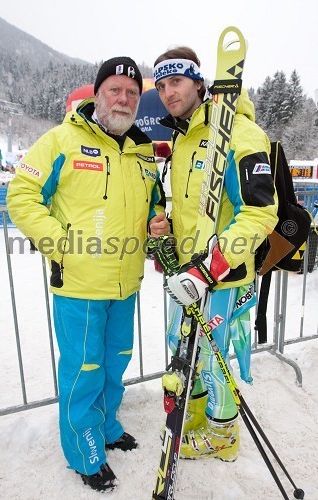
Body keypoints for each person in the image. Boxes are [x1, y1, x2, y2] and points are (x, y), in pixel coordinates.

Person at [7, 56, 169, 492]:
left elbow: (154, 205)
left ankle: (108, 427)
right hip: (78, 284)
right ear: (97, 95)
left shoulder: (142, 153)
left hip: (125, 282)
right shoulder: (61, 140)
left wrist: (157, 222)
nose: (123, 99)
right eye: (115, 90)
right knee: (84, 368)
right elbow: (21, 195)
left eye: (132, 93)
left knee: (115, 364)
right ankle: (85, 451)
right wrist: (60, 244)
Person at [153, 47, 278, 461]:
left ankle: (223, 434)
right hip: (188, 275)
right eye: (162, 85)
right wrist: (166, 227)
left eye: (176, 81)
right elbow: (196, 209)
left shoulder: (240, 133)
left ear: (198, 82)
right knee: (183, 346)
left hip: (223, 276)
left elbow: (260, 212)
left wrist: (209, 269)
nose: (168, 92)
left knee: (214, 355)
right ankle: (196, 414)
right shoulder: (182, 137)